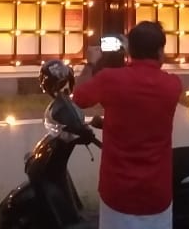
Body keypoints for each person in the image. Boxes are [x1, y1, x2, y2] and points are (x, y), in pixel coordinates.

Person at [72, 21, 183, 229]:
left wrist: (91, 63)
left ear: (129, 50)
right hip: (156, 196)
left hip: (117, 193)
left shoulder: (110, 80)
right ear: (160, 52)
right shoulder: (173, 85)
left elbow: (78, 98)